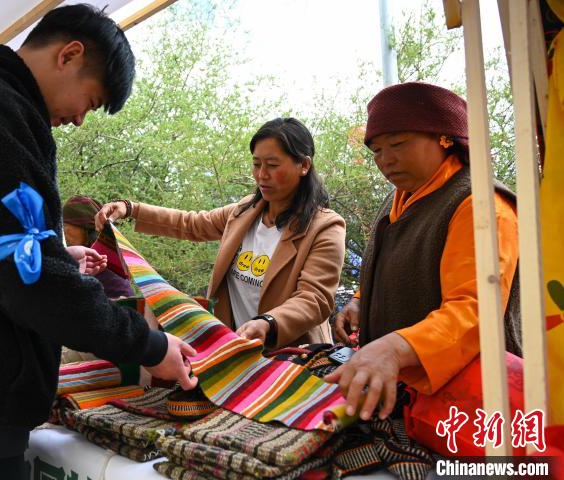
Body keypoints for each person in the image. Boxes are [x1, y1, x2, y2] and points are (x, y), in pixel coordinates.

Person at [0, 5, 196, 479]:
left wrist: (55, 256)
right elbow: (34, 284)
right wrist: (149, 345)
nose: (80, 119)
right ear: (70, 54)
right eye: (91, 100)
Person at [327, 82, 521, 422]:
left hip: (468, 403)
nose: (385, 160)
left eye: (398, 144)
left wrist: (395, 348)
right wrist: (360, 300)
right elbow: (394, 262)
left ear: (445, 138)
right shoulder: (400, 196)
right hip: (402, 391)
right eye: (377, 151)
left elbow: (474, 311)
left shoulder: (481, 206)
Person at [96, 117, 346, 348]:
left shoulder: (325, 228)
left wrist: (268, 323)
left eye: (272, 165)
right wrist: (131, 209)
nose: (261, 175)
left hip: (290, 355)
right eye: (256, 164)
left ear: (304, 165)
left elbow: (314, 299)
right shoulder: (244, 212)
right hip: (235, 351)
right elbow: (191, 223)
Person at [63, 194, 134, 298]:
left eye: (66, 226)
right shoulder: (81, 262)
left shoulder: (106, 268)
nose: (64, 233)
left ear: (86, 228)